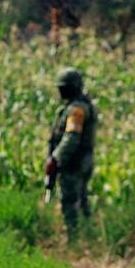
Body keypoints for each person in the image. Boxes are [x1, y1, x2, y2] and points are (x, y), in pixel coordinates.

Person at [46, 67, 99, 240]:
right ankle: (90, 235)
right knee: (82, 200)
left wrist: (56, 158)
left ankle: (73, 239)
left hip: (75, 163)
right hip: (82, 161)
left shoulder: (76, 110)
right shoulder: (76, 107)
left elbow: (72, 138)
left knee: (70, 202)